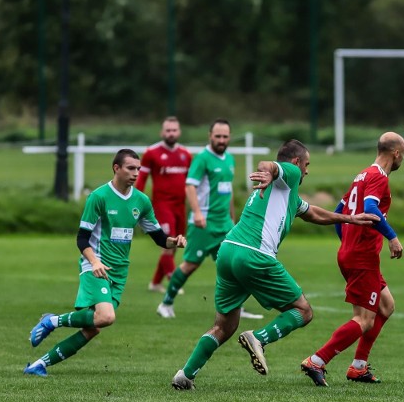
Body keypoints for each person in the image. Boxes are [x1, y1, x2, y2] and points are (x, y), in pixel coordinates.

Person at [170, 139, 381, 390]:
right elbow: (269, 164)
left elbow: (312, 212)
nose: (307, 171)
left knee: (224, 325)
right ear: (295, 162)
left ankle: (185, 375)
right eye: (306, 164)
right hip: (254, 255)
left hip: (228, 251)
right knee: (303, 311)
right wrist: (268, 171)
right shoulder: (288, 174)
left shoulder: (287, 193)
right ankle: (258, 338)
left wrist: (349, 219)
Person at [23, 149, 187, 377]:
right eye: (130, 168)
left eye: (138, 169)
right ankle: (52, 320)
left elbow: (159, 238)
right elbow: (82, 238)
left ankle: (39, 365)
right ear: (116, 168)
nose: (136, 173)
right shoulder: (99, 197)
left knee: (93, 328)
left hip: (119, 272)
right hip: (95, 267)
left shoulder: (141, 201)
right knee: (106, 317)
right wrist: (94, 262)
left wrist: (174, 242)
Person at [301, 132, 404, 387]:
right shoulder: (379, 177)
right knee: (364, 319)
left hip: (354, 253)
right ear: (397, 154)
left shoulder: (361, 175)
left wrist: (347, 240)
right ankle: (317, 360)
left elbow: (339, 212)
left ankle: (358, 367)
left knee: (386, 306)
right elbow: (370, 209)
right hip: (362, 257)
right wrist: (392, 237)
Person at [157, 119, 263, 320]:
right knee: (190, 265)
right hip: (203, 223)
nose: (221, 140)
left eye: (225, 136)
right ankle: (166, 303)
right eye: (218, 136)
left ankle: (236, 307)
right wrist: (196, 213)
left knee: (233, 265)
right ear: (210, 136)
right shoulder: (202, 158)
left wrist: (233, 219)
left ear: (229, 137)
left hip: (224, 224)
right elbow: (190, 186)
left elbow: (228, 190)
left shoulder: (229, 159)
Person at [134, 116, 192, 293]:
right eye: (168, 130)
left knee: (176, 245)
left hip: (180, 206)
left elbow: (191, 183)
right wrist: (137, 203)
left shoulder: (186, 154)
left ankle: (155, 283)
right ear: (162, 132)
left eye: (174, 130)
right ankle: (173, 281)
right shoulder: (152, 153)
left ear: (179, 132)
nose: (171, 133)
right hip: (161, 205)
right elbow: (142, 178)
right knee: (168, 242)